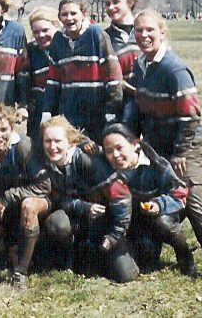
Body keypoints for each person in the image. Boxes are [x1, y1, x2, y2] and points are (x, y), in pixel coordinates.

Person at [123, 9, 202, 296]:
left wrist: (181, 152)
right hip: (156, 147)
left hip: (184, 146)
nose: (143, 35)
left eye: (150, 31)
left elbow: (190, 116)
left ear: (162, 32)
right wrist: (130, 137)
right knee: (153, 201)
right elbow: (140, 106)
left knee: (191, 200)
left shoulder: (174, 69)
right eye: (139, 30)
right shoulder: (141, 65)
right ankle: (181, 249)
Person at [40, 116, 139, 283]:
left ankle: (128, 247)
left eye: (58, 141)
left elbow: (120, 198)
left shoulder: (88, 161)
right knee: (56, 224)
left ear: (70, 142)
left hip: (107, 221)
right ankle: (72, 253)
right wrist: (84, 207)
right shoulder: (46, 164)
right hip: (79, 216)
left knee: (124, 275)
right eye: (47, 141)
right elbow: (59, 200)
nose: (53, 147)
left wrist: (114, 235)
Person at [100, 123, 196, 275]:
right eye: (109, 151)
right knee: (144, 262)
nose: (116, 155)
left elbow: (180, 194)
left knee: (163, 223)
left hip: (161, 215)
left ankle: (184, 256)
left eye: (120, 148)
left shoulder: (156, 164)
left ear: (134, 144)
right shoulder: (105, 171)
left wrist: (159, 204)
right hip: (132, 223)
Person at [0, 104, 50, 290]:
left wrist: (9, 196)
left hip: (34, 199)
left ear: (12, 129)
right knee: (12, 254)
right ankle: (17, 252)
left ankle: (21, 273)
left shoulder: (24, 147)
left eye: (3, 129)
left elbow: (43, 186)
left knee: (29, 207)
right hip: (2, 210)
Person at [43, 0, 122, 145]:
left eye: (73, 13)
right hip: (69, 113)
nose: (69, 18)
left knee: (96, 158)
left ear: (83, 14)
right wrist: (47, 111)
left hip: (96, 113)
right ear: (59, 17)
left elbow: (113, 77)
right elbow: (53, 81)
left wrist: (112, 111)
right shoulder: (58, 40)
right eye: (64, 14)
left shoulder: (96, 34)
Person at [25, 7, 60, 147]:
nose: (40, 35)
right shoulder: (30, 51)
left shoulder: (67, 48)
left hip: (63, 113)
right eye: (36, 32)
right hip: (38, 116)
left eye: (45, 30)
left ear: (56, 26)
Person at [103, 0, 142, 98]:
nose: (110, 7)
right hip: (120, 104)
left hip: (152, 101)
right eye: (107, 4)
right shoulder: (103, 37)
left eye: (116, 2)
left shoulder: (148, 31)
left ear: (130, 3)